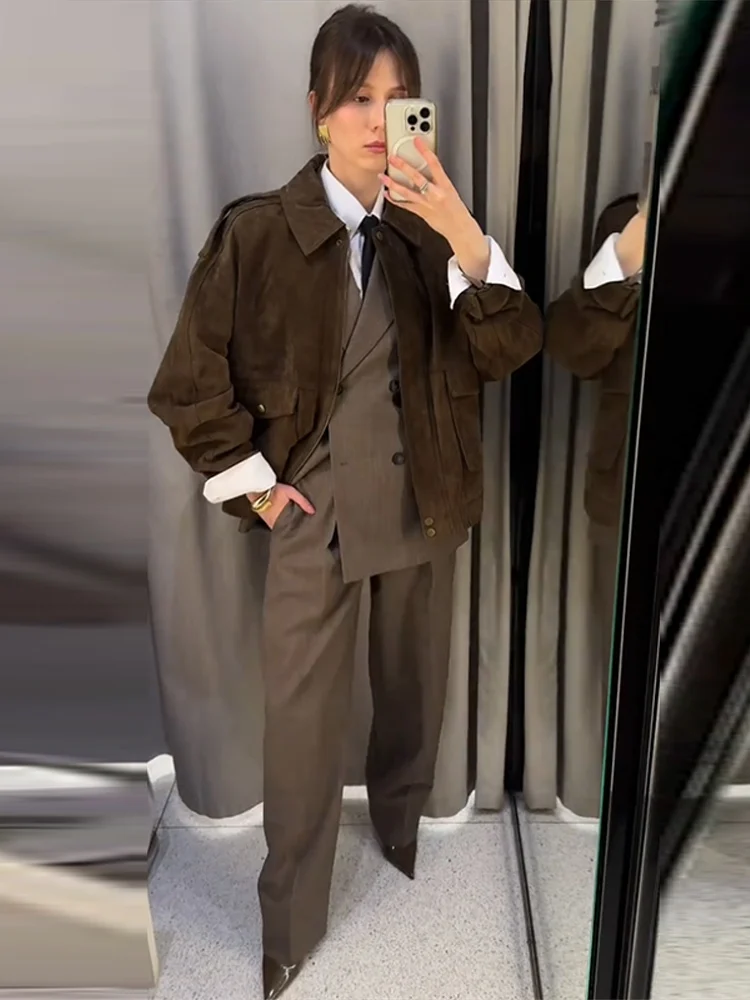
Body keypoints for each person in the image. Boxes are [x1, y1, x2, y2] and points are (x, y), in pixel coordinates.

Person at [148, 4, 542, 997]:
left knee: (413, 686)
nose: (378, 119)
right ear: (318, 109)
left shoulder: (431, 235)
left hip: (425, 497)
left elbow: (510, 347)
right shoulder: (258, 233)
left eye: (398, 100)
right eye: (359, 97)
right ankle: (288, 927)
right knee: (300, 727)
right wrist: (257, 490)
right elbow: (187, 385)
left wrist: (461, 230)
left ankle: (402, 830)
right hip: (314, 512)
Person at [545, 193, 647, 765]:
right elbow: (573, 351)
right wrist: (630, 253)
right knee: (637, 675)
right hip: (633, 492)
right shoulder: (628, 221)